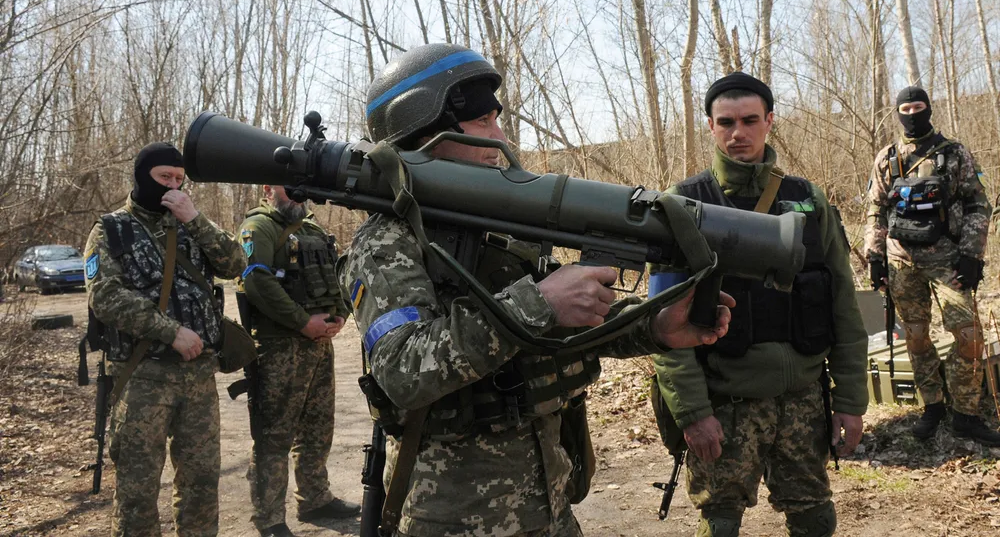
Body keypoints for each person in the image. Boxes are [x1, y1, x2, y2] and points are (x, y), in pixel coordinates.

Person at [341, 43, 735, 537]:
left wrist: (654, 326)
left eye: (497, 120)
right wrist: (540, 301)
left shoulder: (495, 223)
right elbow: (403, 368)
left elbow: (561, 327)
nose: (500, 136)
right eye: (482, 121)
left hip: (549, 502)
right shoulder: (387, 240)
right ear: (423, 133)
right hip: (454, 518)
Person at [649, 73, 868, 537]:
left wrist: (850, 400)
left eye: (750, 120)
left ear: (769, 121)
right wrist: (693, 412)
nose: (738, 133)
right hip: (726, 401)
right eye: (726, 122)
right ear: (710, 126)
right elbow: (663, 325)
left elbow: (844, 305)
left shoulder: (807, 199)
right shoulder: (682, 204)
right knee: (721, 524)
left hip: (804, 399)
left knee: (815, 518)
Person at [84, 142, 246, 537]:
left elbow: (236, 264)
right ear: (143, 176)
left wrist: (196, 219)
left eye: (178, 179)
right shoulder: (111, 229)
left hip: (198, 376)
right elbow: (104, 297)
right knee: (137, 490)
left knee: (201, 482)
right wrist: (170, 331)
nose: (172, 186)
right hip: (142, 377)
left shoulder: (189, 223)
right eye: (164, 177)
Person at [864, 86, 999, 445]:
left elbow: (978, 204)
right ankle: (933, 405)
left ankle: (965, 414)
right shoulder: (887, 157)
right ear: (898, 113)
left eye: (918, 107)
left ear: (929, 109)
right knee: (916, 336)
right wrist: (875, 257)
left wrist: (972, 255)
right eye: (905, 109)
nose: (912, 114)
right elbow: (876, 209)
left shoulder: (954, 153)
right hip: (902, 262)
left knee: (970, 336)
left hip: (949, 260)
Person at [238, 185, 360, 537]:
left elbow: (336, 275)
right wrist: (303, 322)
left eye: (297, 187)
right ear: (268, 189)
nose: (295, 194)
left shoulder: (313, 228)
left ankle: (315, 499)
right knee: (274, 435)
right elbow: (256, 281)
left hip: (320, 344)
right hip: (279, 348)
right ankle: (269, 518)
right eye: (285, 187)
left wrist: (340, 314)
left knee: (318, 427)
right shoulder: (258, 227)